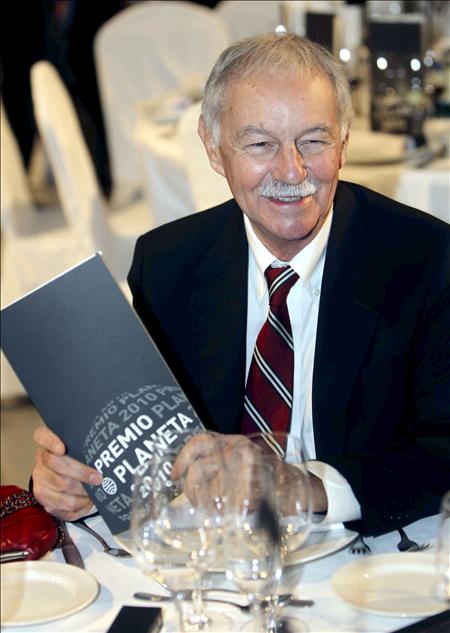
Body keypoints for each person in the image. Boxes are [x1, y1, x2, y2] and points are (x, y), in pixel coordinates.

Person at [32, 33, 450, 537]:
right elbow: (142, 444)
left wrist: (303, 488)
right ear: (213, 148)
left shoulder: (425, 260)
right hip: (216, 553)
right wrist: (72, 478)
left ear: (342, 142)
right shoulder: (168, 266)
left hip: (370, 552)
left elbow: (442, 446)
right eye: (260, 144)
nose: (291, 171)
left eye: (313, 140)